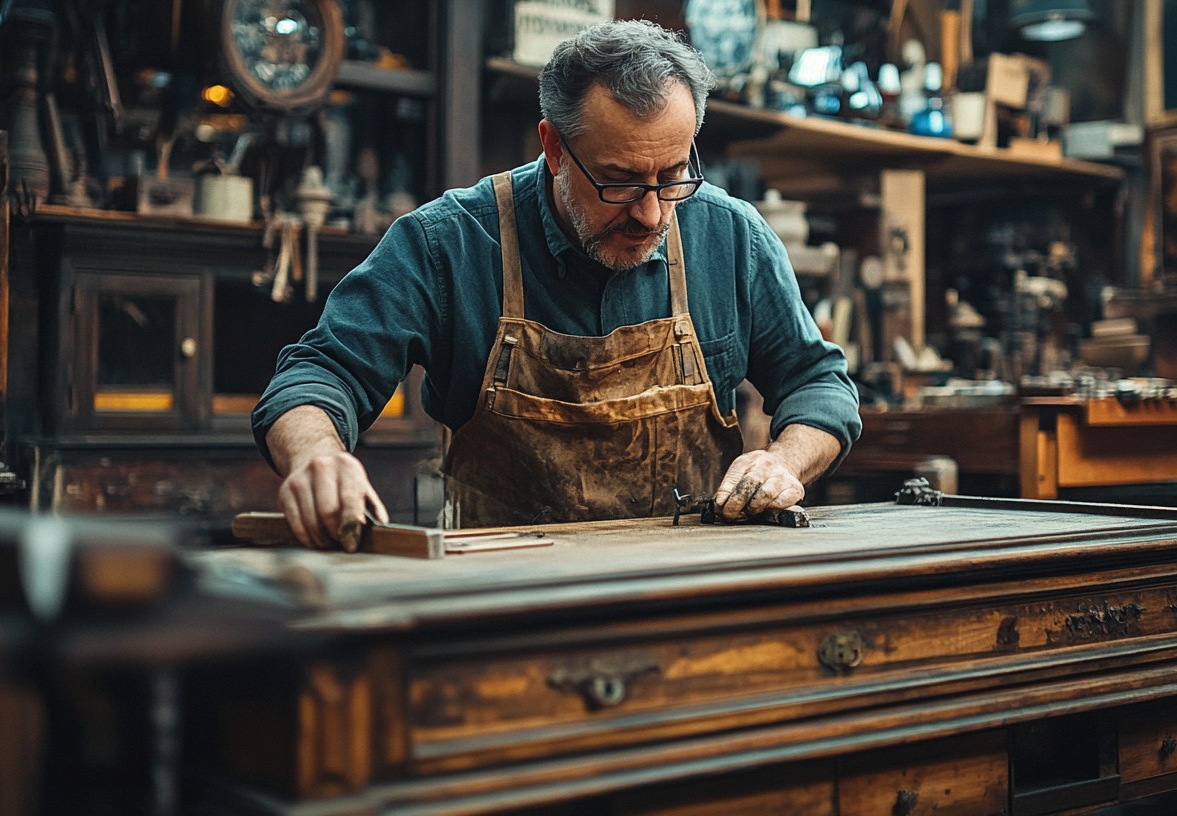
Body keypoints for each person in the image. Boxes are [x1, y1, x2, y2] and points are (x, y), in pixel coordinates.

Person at [253, 19, 861, 548]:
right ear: (554, 147)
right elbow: (317, 375)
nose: (651, 213)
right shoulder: (449, 243)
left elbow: (819, 386)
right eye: (620, 182)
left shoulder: (730, 237)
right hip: (508, 601)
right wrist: (319, 456)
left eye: (673, 176)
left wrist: (785, 462)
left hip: (690, 594)